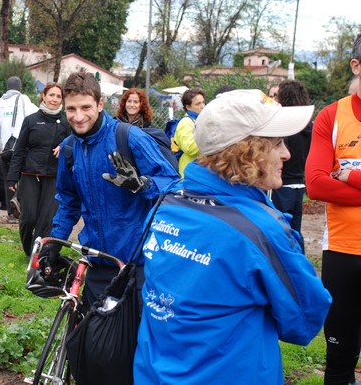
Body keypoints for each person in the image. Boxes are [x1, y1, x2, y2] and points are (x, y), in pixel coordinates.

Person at [134, 89, 331, 384]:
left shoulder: (166, 203)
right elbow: (305, 319)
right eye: (277, 144)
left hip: (153, 372)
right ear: (246, 152)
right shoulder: (261, 230)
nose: (287, 154)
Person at [40, 71, 180, 307]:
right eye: (71, 109)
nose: (78, 116)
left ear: (100, 103)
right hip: (98, 263)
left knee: (130, 342)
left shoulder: (129, 137)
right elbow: (68, 202)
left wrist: (142, 185)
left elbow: (173, 183)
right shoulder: (68, 149)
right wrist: (56, 242)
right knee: (91, 340)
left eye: (86, 107)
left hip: (137, 265)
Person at [306, 33, 361, 385]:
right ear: (356, 65)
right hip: (343, 251)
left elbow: (332, 181)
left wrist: (350, 175)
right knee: (339, 361)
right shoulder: (332, 116)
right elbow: (315, 184)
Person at [7, 82, 71, 256]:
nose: (55, 99)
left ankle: (38, 255)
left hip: (53, 176)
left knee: (46, 220)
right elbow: (19, 150)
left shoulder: (66, 122)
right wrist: (12, 178)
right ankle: (28, 249)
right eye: (52, 95)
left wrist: (65, 145)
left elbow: (75, 142)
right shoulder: (31, 120)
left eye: (59, 96)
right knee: (29, 218)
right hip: (30, 175)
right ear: (43, 96)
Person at [0, 76, 39, 223]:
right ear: (20, 87)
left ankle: (11, 214)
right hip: (21, 149)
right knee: (23, 180)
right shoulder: (23, 99)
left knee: (7, 182)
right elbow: (35, 117)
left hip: (5, 151)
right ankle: (21, 210)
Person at [270, 80, 312, 252]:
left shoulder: (284, 123)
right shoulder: (309, 125)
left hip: (282, 184)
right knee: (296, 231)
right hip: (299, 184)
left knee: (279, 230)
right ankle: (299, 261)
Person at [172, 87, 205, 176]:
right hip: (188, 173)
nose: (203, 106)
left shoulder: (198, 120)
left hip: (198, 171)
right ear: (188, 107)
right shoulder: (186, 122)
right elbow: (190, 148)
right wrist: (206, 135)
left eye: (203, 102)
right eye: (198, 104)